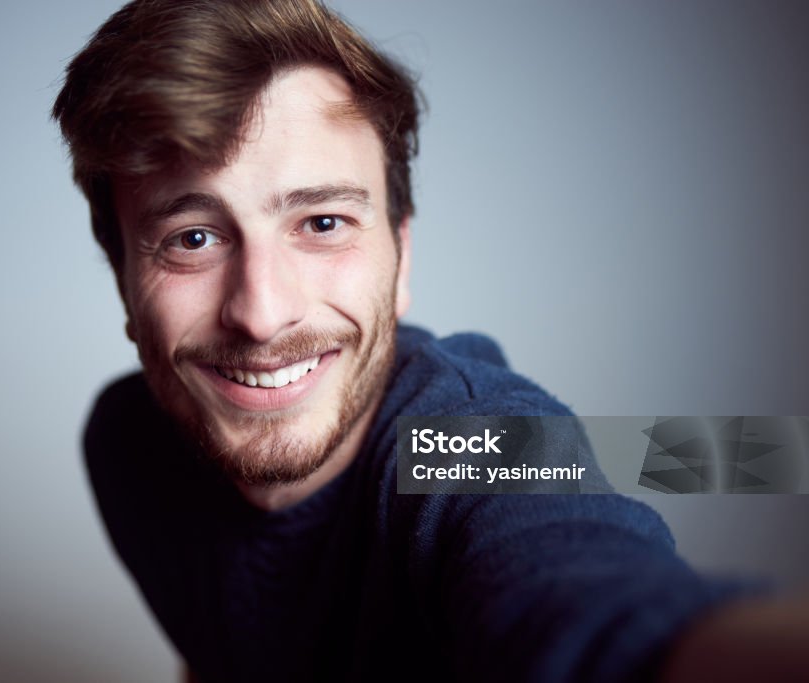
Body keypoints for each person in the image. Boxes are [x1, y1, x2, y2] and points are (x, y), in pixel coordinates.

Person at [53, 1, 807, 680]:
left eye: (322, 223)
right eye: (192, 237)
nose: (260, 311)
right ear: (124, 282)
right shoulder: (130, 443)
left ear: (402, 256)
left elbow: (588, 597)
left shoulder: (460, 442)